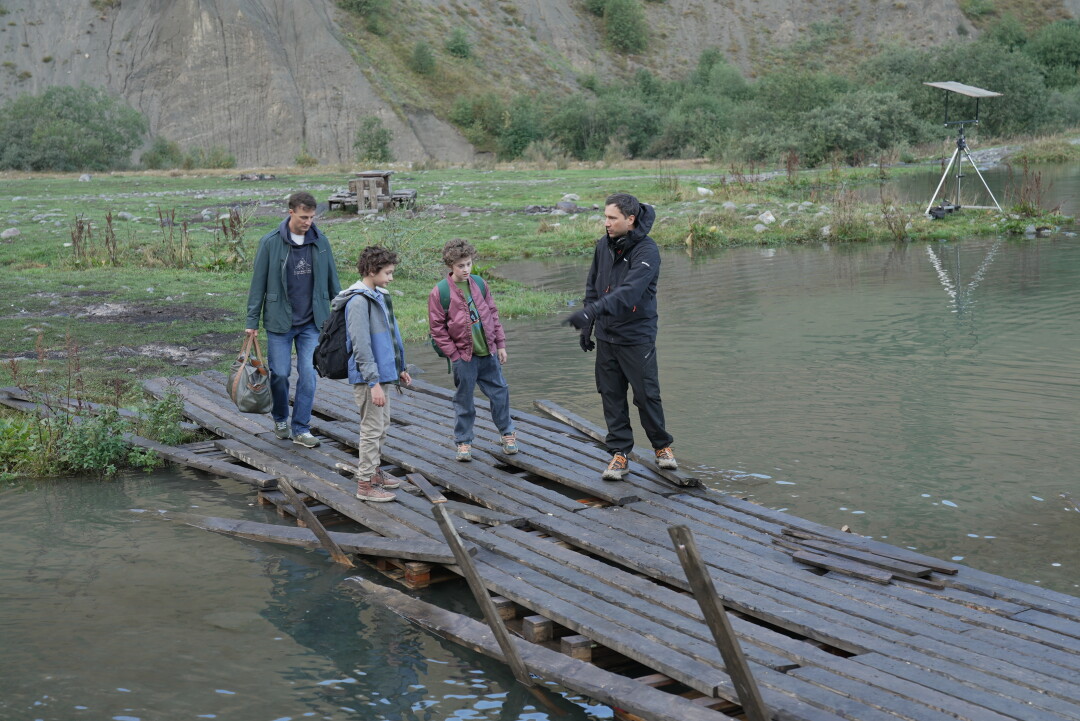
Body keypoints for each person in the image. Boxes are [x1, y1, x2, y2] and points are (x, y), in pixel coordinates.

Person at [564, 192, 676, 480]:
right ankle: (620, 455)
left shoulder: (647, 251)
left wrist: (591, 313)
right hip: (607, 336)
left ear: (630, 219)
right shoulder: (604, 245)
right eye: (605, 217)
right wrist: (589, 324)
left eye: (612, 218)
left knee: (646, 395)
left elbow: (629, 294)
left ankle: (661, 447)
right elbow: (593, 285)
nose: (606, 223)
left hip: (636, 336)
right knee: (611, 395)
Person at [245, 191, 341, 449]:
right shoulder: (270, 243)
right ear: (290, 213)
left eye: (311, 216)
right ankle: (279, 418)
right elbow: (258, 285)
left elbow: (333, 281)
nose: (308, 222)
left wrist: (342, 314)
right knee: (280, 374)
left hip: (313, 323)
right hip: (280, 322)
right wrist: (252, 321)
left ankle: (301, 428)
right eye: (303, 217)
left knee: (309, 374)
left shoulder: (321, 242)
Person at [428, 238, 517, 462]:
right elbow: (437, 329)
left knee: (500, 394)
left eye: (468, 263)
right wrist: (455, 355)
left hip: (488, 352)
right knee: (464, 400)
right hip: (464, 357)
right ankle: (464, 442)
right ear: (450, 266)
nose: (466, 269)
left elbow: (493, 314)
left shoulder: (479, 283)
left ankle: (507, 434)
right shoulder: (440, 293)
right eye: (461, 265)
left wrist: (501, 344)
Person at [335, 245, 411, 502]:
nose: (391, 277)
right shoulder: (357, 301)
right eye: (387, 273)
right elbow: (361, 345)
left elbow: (390, 335)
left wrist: (400, 367)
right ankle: (365, 484)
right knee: (371, 428)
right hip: (369, 378)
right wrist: (373, 383)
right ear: (371, 270)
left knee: (382, 425)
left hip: (383, 373)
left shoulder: (379, 295)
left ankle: (375, 472)